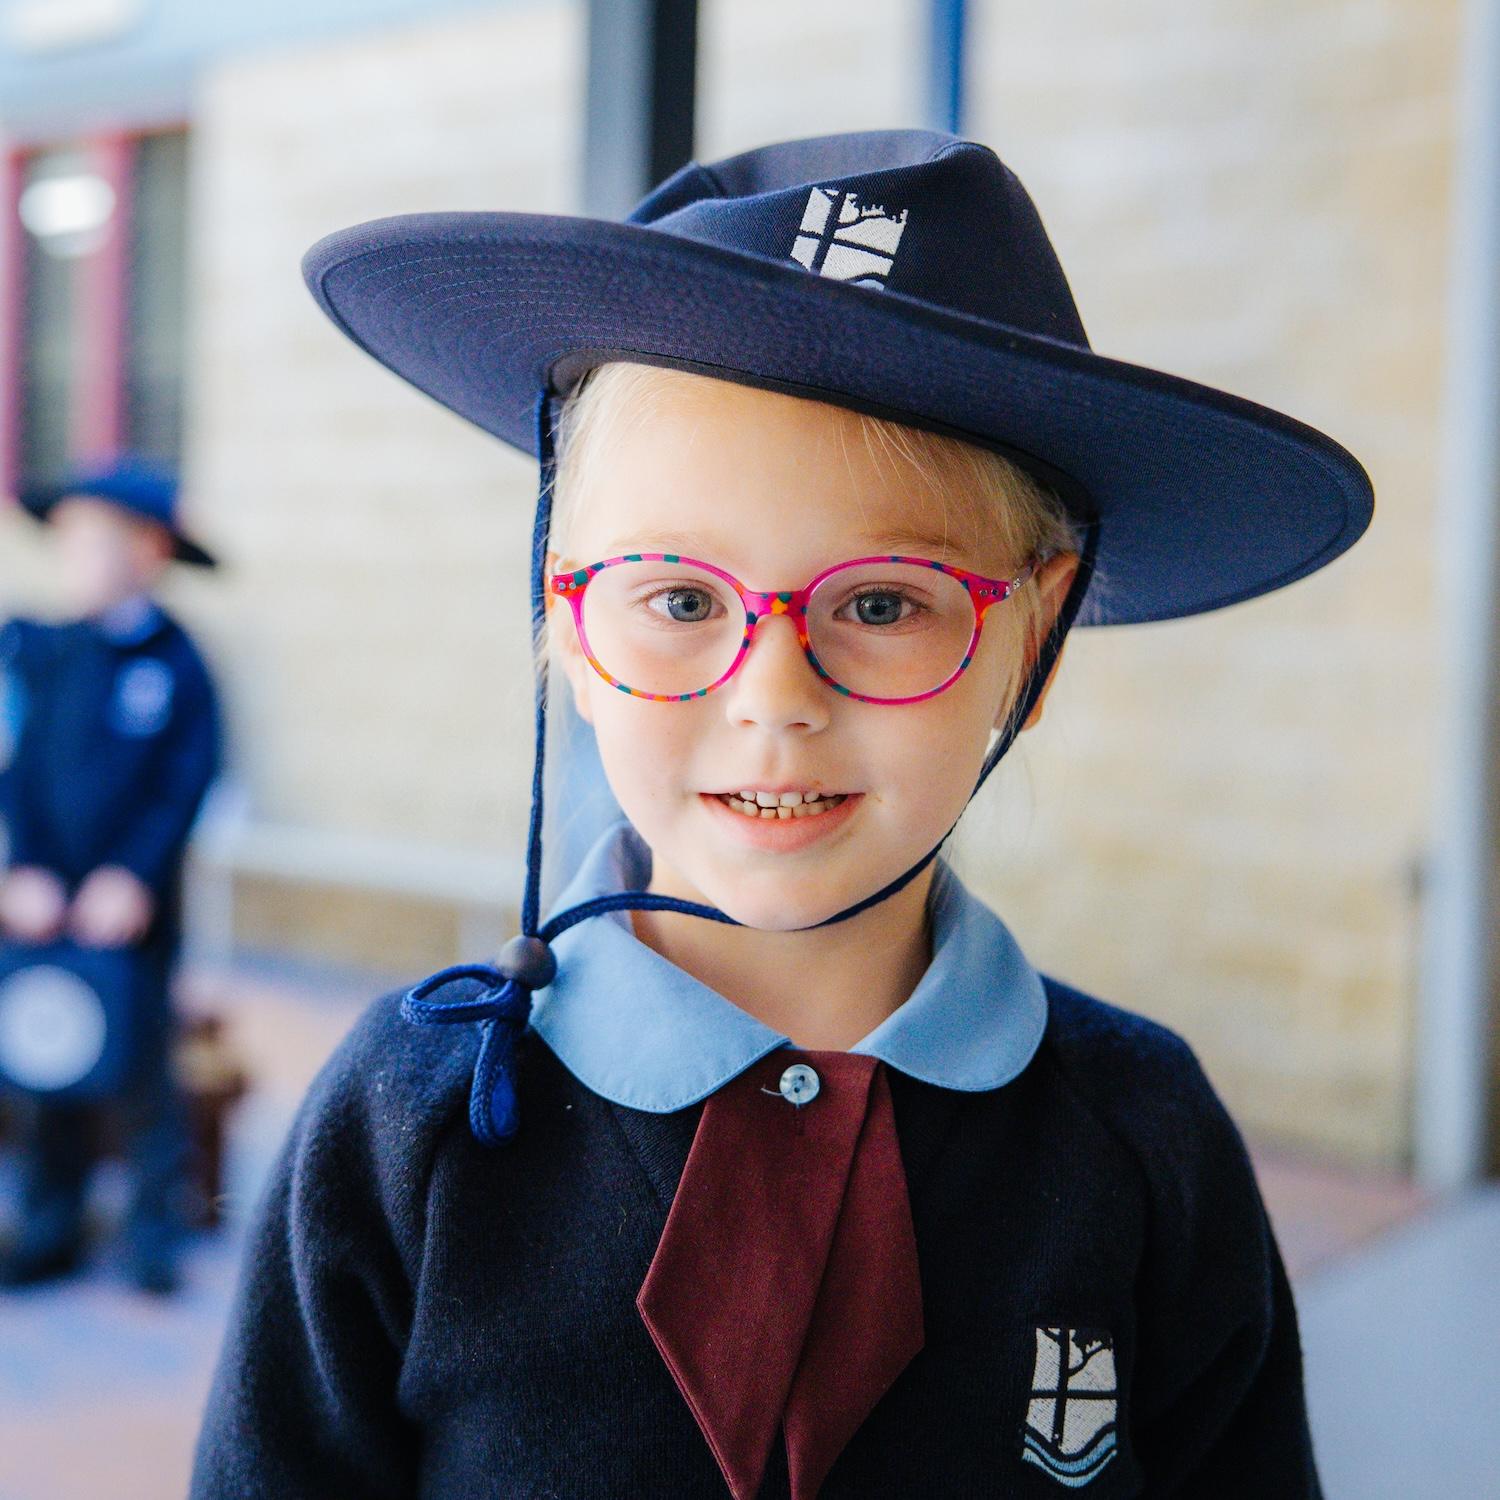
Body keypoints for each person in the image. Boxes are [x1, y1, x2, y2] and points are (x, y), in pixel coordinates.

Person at [191, 131, 1372, 1496]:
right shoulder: (417, 1123)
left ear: (1034, 642)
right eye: (681, 600)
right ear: (564, 617)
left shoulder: (1142, 1141)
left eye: (880, 605)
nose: (775, 697)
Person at [0, 455, 221, 1295]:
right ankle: (48, 1225)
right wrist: (26, 869)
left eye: (91, 544)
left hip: (134, 914)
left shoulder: (178, 664)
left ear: (148, 551)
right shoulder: (42, 653)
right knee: (45, 1054)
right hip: (45, 908)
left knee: (140, 1067)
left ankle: (150, 1237)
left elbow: (182, 782)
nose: (72, 562)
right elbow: (17, 770)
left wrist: (131, 874)